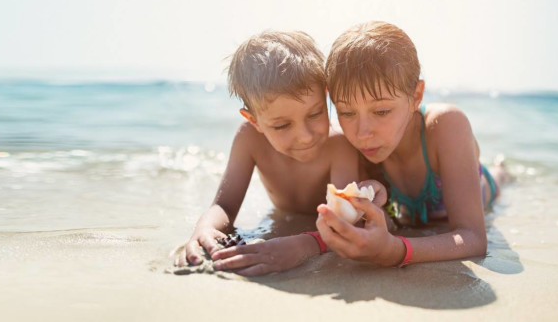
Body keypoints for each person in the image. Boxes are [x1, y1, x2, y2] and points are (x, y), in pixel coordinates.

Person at [173, 30, 385, 276]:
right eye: (282, 125)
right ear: (254, 121)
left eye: (315, 114)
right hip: (284, 217)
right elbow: (225, 205)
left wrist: (305, 245)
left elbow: (347, 222)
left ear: (326, 95)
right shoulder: (249, 139)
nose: (305, 136)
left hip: (314, 228)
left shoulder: (338, 145)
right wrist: (205, 228)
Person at [316, 21, 507, 267]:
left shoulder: (446, 125)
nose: (362, 133)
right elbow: (390, 222)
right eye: (347, 112)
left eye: (382, 111)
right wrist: (378, 209)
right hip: (415, 212)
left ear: (416, 96)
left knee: (498, 179)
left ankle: (502, 169)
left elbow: (474, 238)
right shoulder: (352, 144)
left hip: (481, 189)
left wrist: (395, 250)